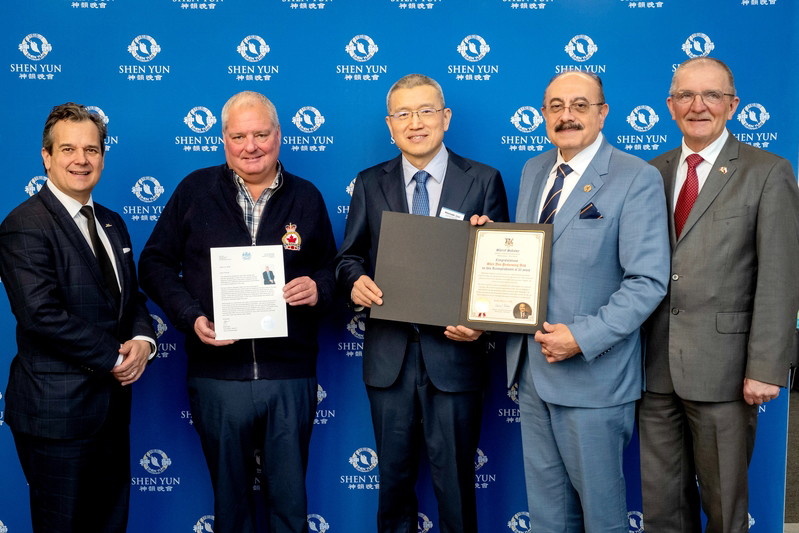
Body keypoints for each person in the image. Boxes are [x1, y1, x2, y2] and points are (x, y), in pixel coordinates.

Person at [138, 91, 337, 533]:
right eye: (238, 136)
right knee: (231, 509)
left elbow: (332, 269)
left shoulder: (306, 197)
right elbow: (153, 264)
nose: (251, 146)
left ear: (278, 136)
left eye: (261, 134)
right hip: (217, 376)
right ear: (223, 140)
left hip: (289, 376)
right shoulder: (195, 190)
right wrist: (190, 315)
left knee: (290, 507)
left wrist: (318, 288)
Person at [336, 73, 508, 533]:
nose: (416, 122)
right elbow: (348, 257)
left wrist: (482, 322)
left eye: (426, 111)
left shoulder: (484, 180)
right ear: (390, 125)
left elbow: (500, 270)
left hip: (455, 357)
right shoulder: (369, 183)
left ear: (445, 118)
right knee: (392, 488)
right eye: (403, 114)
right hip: (389, 360)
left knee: (456, 489)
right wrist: (355, 282)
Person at [502, 71, 670, 532]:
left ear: (602, 113)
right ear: (543, 114)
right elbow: (528, 260)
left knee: (602, 516)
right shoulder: (534, 170)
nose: (567, 115)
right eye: (556, 106)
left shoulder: (636, 177)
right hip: (532, 370)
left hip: (593, 376)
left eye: (580, 105)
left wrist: (582, 337)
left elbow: (647, 281)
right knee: (548, 516)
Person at [639, 57, 799, 533]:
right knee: (663, 509)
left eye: (712, 95)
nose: (698, 106)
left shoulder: (767, 171)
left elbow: (780, 277)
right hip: (653, 369)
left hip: (727, 372)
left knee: (725, 509)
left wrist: (766, 366)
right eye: (686, 95)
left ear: (733, 105)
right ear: (670, 106)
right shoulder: (650, 172)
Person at [0, 102, 156, 533]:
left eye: (91, 149)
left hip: (112, 412)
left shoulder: (112, 222)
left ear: (103, 157)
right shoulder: (25, 224)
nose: (81, 160)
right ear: (47, 157)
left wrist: (143, 341)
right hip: (57, 414)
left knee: (109, 525)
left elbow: (130, 300)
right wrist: (116, 357)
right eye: (68, 149)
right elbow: (40, 315)